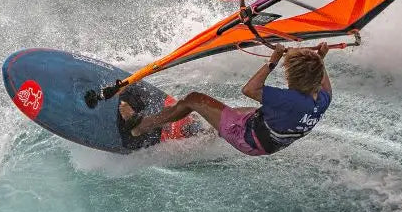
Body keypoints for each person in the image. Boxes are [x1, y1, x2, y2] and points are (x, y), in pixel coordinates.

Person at [120, 43, 332, 156]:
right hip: (270, 136)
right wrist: (318, 58)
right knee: (232, 112)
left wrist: (273, 61)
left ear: (294, 78)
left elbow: (250, 89)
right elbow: (322, 80)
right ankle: (203, 132)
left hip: (248, 137)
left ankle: (140, 127)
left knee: (194, 99)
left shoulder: (288, 100)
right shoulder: (321, 99)